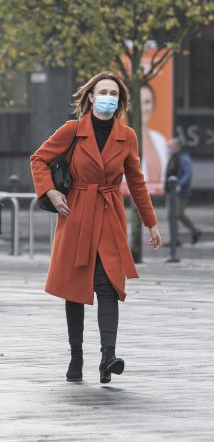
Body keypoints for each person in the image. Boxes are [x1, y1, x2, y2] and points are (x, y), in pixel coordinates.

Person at [31, 71, 162, 384]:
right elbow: (38, 159)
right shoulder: (73, 130)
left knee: (109, 285)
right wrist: (50, 191)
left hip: (108, 214)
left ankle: (108, 356)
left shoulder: (127, 135)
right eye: (103, 92)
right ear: (90, 96)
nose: (108, 98)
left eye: (114, 94)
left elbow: (137, 182)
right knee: (74, 289)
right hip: (76, 212)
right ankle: (76, 355)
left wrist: (151, 223)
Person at [165, 138, 202, 245]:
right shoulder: (173, 157)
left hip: (180, 192)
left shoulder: (183, 158)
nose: (169, 149)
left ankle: (176, 239)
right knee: (174, 215)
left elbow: (188, 173)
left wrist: (179, 185)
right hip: (170, 190)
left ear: (177, 147)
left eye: (170, 146)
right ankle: (192, 232)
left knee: (175, 215)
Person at [140, 84, 170, 195]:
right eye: (138, 101)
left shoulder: (160, 139)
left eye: (147, 102)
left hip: (158, 204)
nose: (143, 107)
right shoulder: (116, 139)